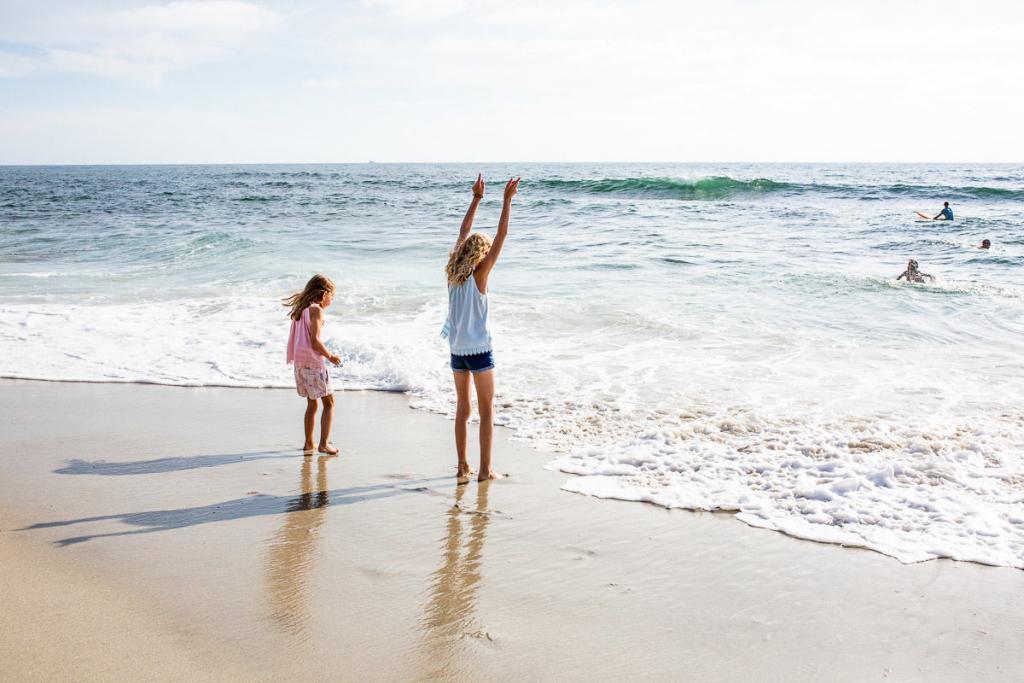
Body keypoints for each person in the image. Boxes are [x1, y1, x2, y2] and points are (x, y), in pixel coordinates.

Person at [443, 174, 520, 482]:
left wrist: (476, 199)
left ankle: (463, 465)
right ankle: (485, 471)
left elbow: (463, 232)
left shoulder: (452, 272)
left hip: (456, 351)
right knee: (487, 411)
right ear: (483, 254)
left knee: (463, 409)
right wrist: (506, 201)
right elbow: (502, 237)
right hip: (479, 350)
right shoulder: (480, 274)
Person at [284, 274, 342, 455]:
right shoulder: (316, 310)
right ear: (324, 294)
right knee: (329, 402)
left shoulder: (300, 310)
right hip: (313, 364)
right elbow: (315, 341)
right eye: (332, 296)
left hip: (300, 364)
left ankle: (309, 443)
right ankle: (324, 444)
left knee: (312, 404)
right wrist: (330, 356)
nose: (331, 300)